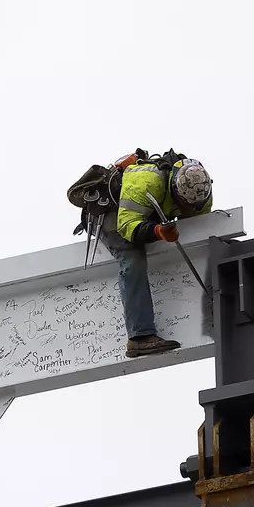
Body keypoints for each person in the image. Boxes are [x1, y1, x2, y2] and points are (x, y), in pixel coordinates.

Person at [70, 148, 215, 358]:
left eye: (192, 207)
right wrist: (157, 231)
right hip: (111, 212)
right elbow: (127, 226)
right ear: (174, 189)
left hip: (146, 209)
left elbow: (200, 223)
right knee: (131, 257)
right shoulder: (146, 182)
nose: (188, 211)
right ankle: (139, 337)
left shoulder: (200, 191)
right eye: (184, 206)